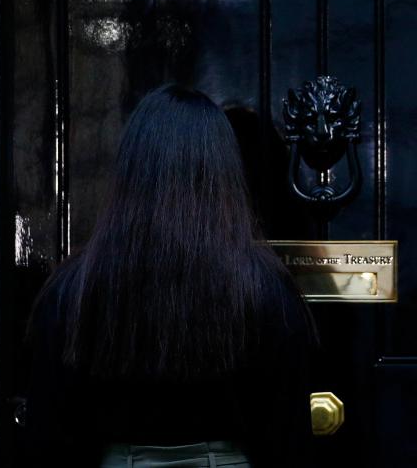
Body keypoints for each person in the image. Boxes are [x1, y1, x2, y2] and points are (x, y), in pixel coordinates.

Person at [25, 84, 315, 467]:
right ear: (224, 170)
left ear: (131, 167)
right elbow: (287, 436)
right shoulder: (265, 287)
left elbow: (49, 435)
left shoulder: (72, 288)